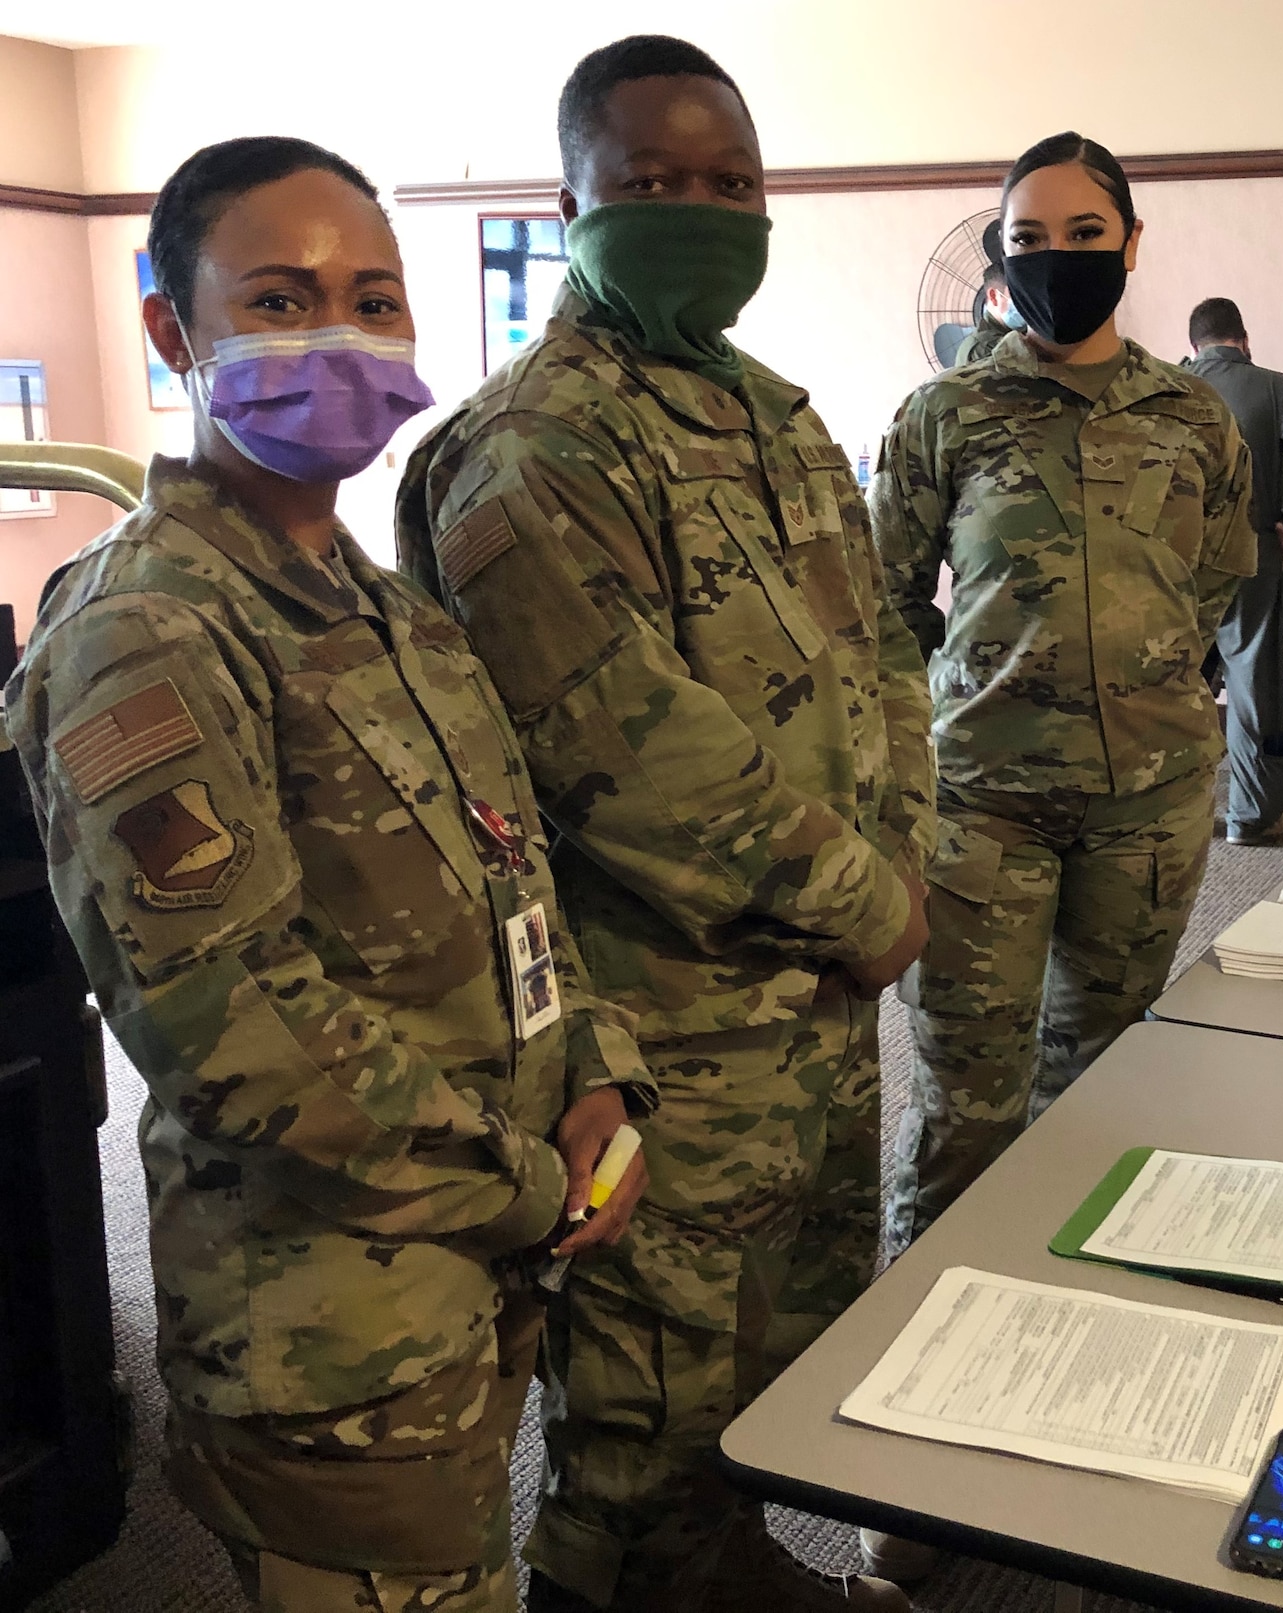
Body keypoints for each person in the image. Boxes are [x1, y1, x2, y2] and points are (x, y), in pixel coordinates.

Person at [4, 136, 654, 1613]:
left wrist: (597, 1069)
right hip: (326, 1320)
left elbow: (516, 882)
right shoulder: (151, 632)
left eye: (374, 300)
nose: (342, 338)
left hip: (473, 1258)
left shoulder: (386, 612)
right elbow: (233, 1026)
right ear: (176, 327)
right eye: (285, 300)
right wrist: (527, 1181)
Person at [396, 36, 934, 1613]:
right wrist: (862, 894)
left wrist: (896, 855)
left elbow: (886, 653)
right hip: (660, 1028)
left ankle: (736, 1569)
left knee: (772, 1363)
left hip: (818, 1008)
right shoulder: (533, 446)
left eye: (731, 184)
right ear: (569, 201)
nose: (698, 210)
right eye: (650, 184)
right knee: (645, 1406)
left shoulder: (772, 416)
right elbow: (631, 754)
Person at [872, 132, 1256, 1246]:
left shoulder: (1192, 416)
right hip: (982, 803)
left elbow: (1220, 573)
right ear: (997, 256)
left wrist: (1142, 680)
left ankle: (1067, 1325)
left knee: (1103, 1085)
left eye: (1084, 233)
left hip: (1146, 804)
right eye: (1028, 239)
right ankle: (913, 1326)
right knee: (964, 1100)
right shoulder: (944, 412)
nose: (1057, 257)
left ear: (1131, 243)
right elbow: (881, 601)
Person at [1184, 296, 1283, 844]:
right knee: (1255, 683)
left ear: (1194, 346)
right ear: (1244, 340)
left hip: (1171, 563)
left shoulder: (1165, 387)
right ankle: (1254, 815)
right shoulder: (1277, 387)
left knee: (1173, 683)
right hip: (1249, 557)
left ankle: (1177, 814)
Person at [951, 259, 1022, 367]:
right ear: (994, 297)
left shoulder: (1018, 331)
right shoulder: (984, 350)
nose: (1027, 303)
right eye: (1018, 296)